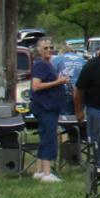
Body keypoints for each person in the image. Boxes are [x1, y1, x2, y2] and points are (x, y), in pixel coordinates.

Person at [29, 40, 69, 183]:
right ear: (38, 50)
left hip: (51, 107)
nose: (49, 49)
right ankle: (47, 173)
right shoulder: (40, 64)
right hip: (45, 107)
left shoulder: (48, 64)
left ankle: (39, 171)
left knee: (45, 136)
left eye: (51, 47)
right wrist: (58, 82)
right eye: (45, 47)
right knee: (49, 138)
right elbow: (36, 86)